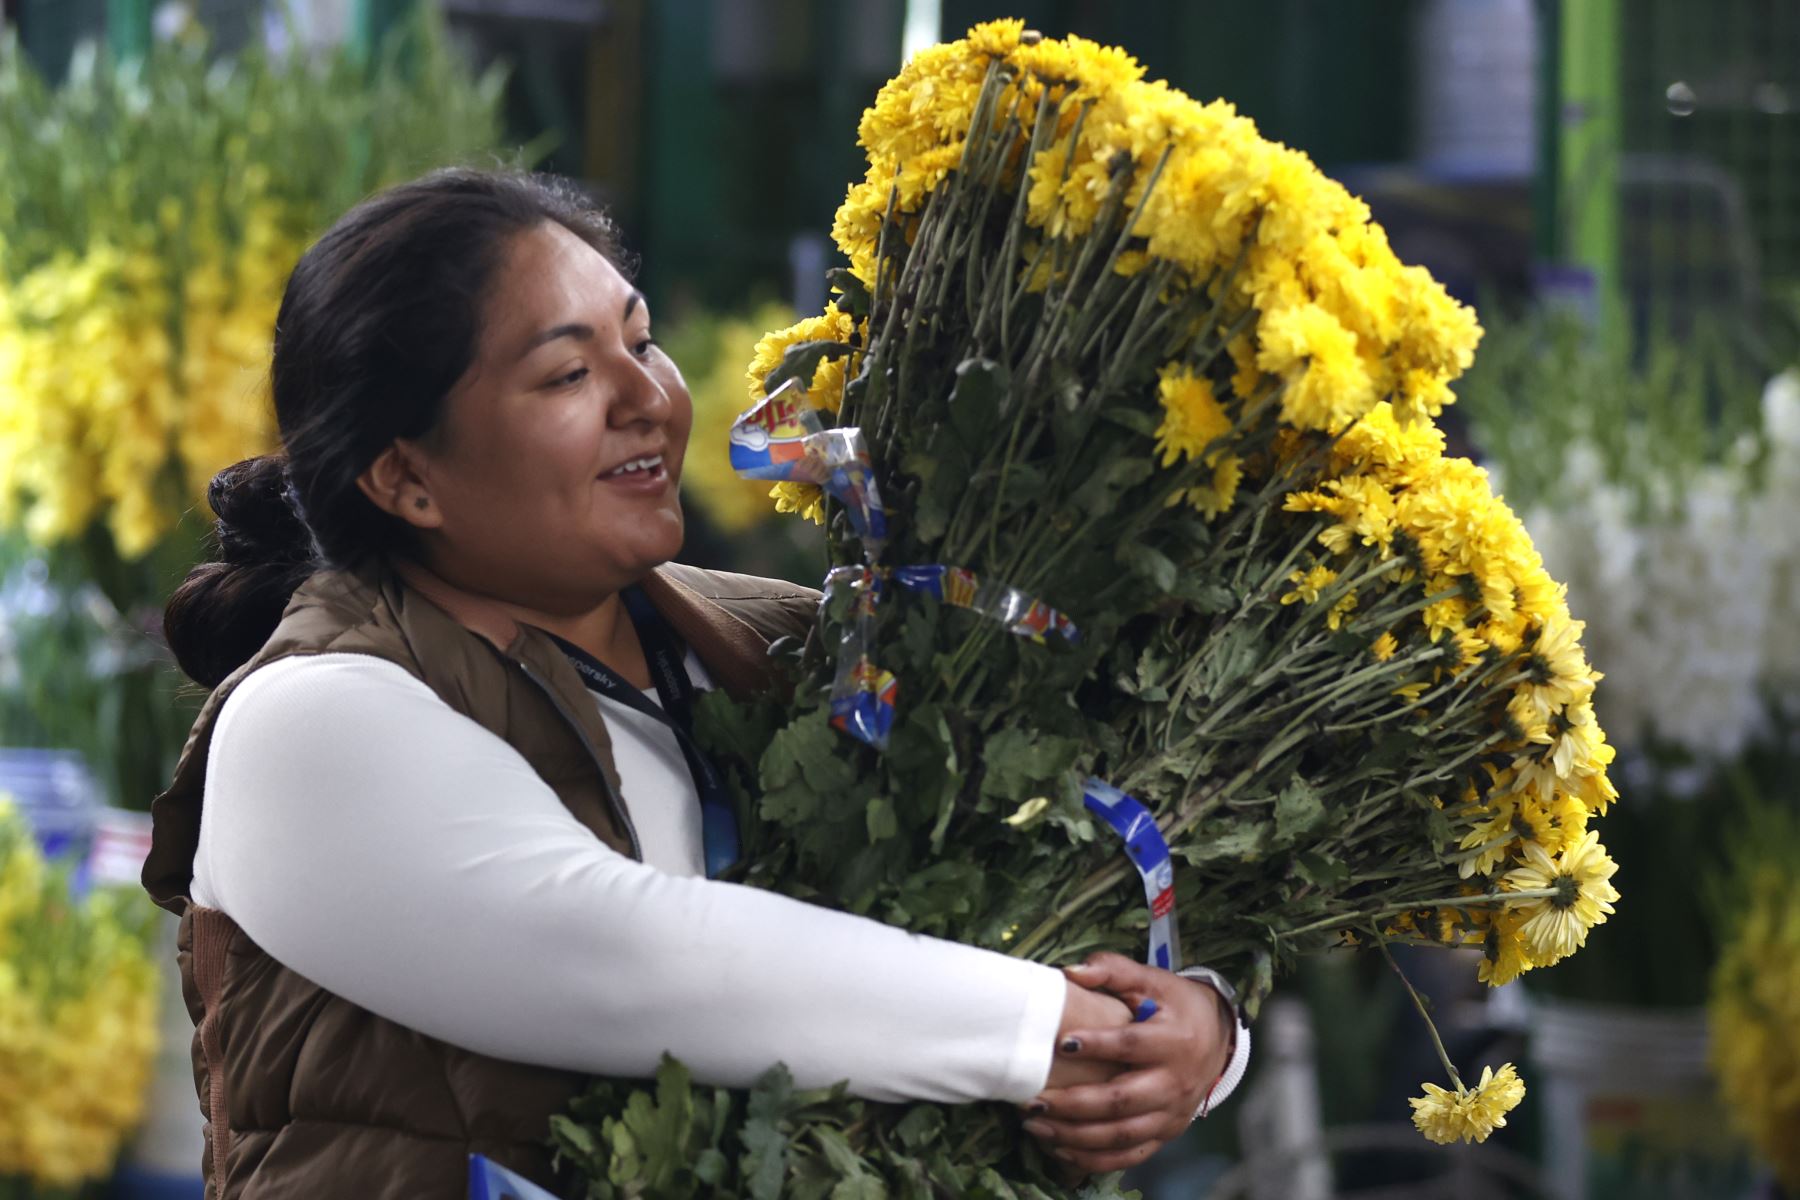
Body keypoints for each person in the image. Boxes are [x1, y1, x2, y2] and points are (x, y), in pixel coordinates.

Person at [142, 168, 1251, 1198]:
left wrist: (1192, 1028)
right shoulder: (313, 719)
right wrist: (1057, 1026)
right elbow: (624, 963)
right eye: (569, 373)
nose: (647, 399)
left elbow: (1064, 853)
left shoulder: (800, 645)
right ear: (406, 477)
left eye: (642, 339)